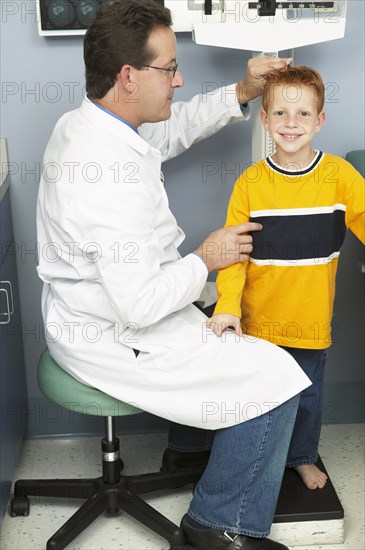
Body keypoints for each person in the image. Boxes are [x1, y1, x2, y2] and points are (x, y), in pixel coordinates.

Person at [36, 1, 311, 548]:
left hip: (95, 307)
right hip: (115, 331)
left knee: (223, 315)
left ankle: (186, 451)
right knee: (277, 378)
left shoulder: (96, 124)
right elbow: (139, 306)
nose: (180, 80)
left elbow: (168, 134)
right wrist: (207, 258)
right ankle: (217, 526)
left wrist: (242, 92)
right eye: (170, 69)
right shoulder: (102, 178)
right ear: (129, 76)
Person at [209, 66, 365, 491]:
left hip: (311, 318)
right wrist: (226, 307)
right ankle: (263, 461)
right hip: (259, 321)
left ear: (320, 120)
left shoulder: (340, 177)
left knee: (308, 397)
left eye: (302, 114)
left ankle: (300, 456)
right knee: (262, 398)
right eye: (279, 113)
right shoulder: (250, 183)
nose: (291, 124)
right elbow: (233, 256)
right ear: (264, 119)